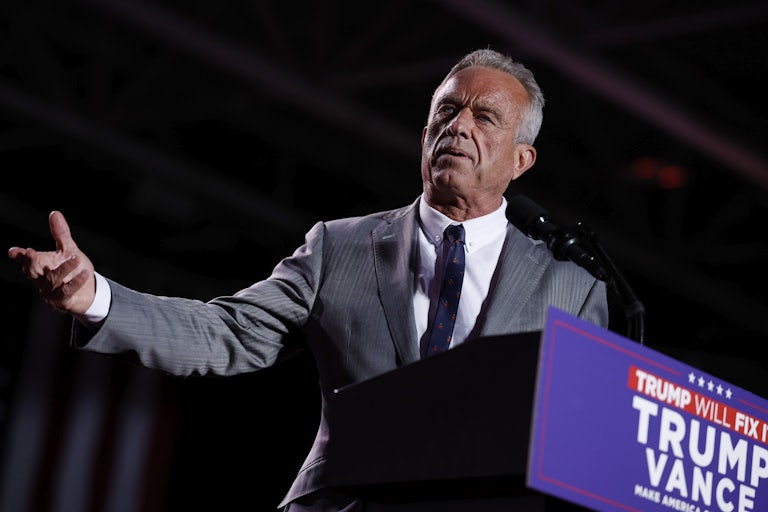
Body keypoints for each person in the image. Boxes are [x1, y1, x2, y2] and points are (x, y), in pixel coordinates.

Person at [8, 48, 609, 511]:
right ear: (424, 133)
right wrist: (95, 298)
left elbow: (586, 443)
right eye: (446, 111)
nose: (459, 127)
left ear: (520, 159)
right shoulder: (339, 247)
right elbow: (228, 332)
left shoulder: (572, 284)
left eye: (485, 117)